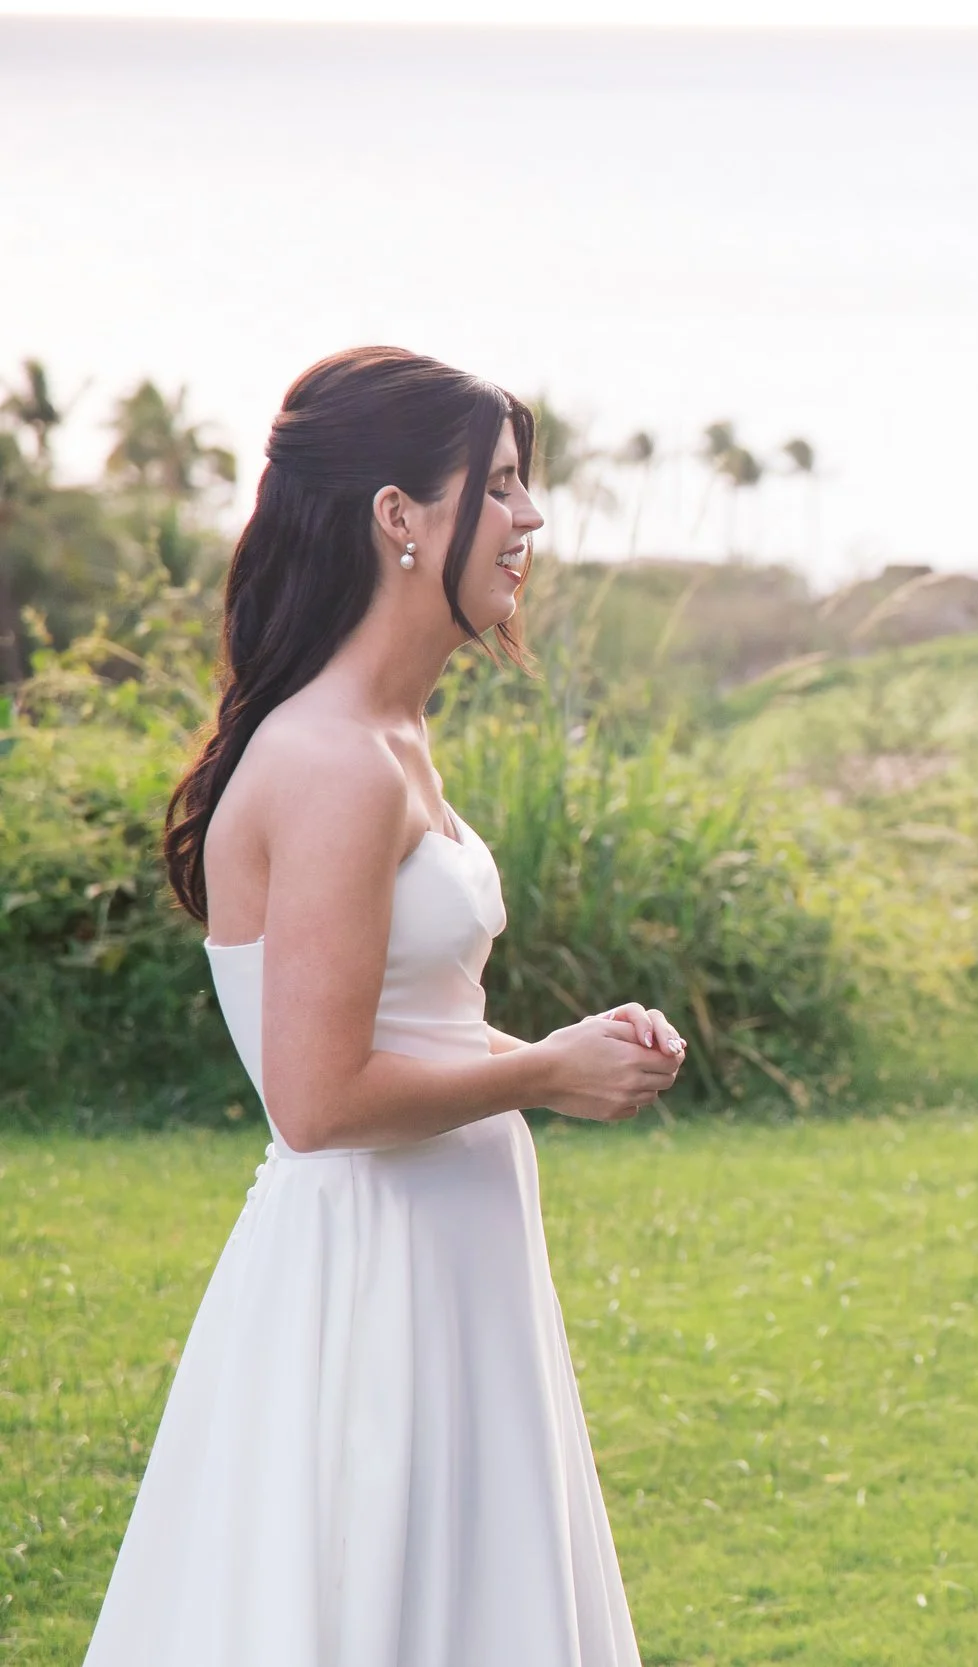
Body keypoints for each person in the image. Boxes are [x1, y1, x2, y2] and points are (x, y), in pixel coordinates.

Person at [84, 347, 683, 1667]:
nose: (532, 521)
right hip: (374, 1275)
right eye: (506, 487)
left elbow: (401, 1026)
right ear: (399, 515)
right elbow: (317, 1094)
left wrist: (571, 1051)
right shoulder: (335, 760)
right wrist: (542, 1074)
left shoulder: (394, 734)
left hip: (450, 1253)